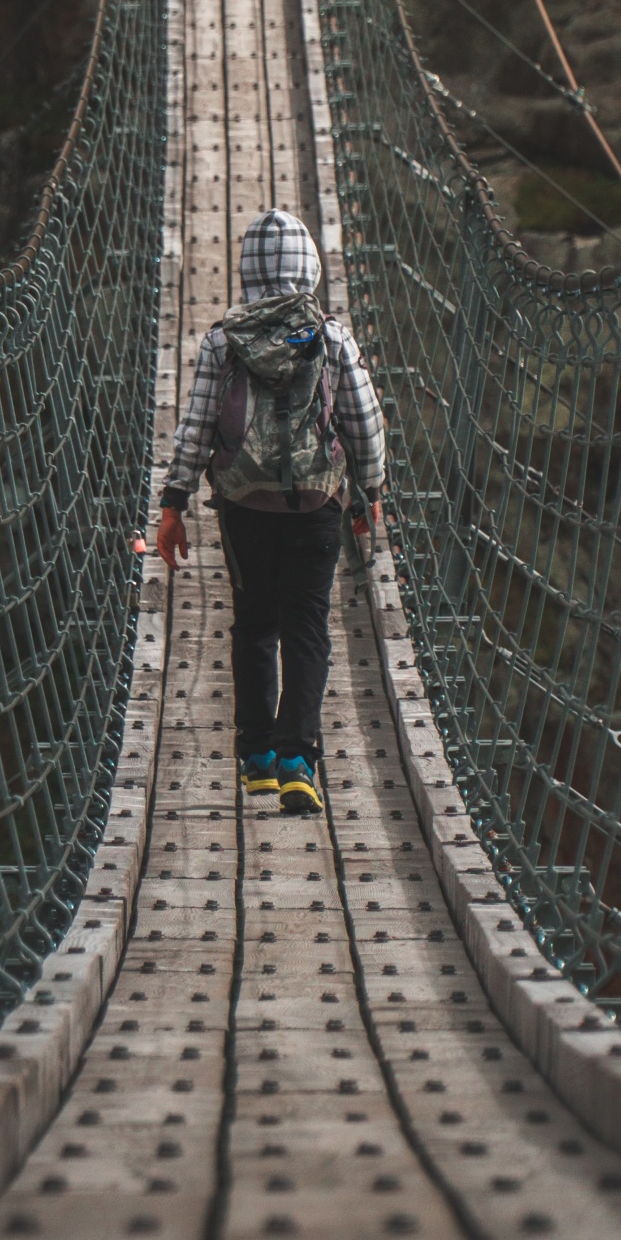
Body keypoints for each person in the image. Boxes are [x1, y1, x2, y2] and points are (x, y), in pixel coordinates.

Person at [155, 209, 385, 817]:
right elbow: (362, 423)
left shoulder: (222, 340)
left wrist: (173, 503)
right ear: (309, 266)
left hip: (242, 503)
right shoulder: (333, 337)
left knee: (254, 623)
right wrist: (370, 491)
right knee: (307, 626)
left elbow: (197, 427)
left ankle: (255, 756)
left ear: (246, 269)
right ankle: (296, 759)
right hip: (316, 502)